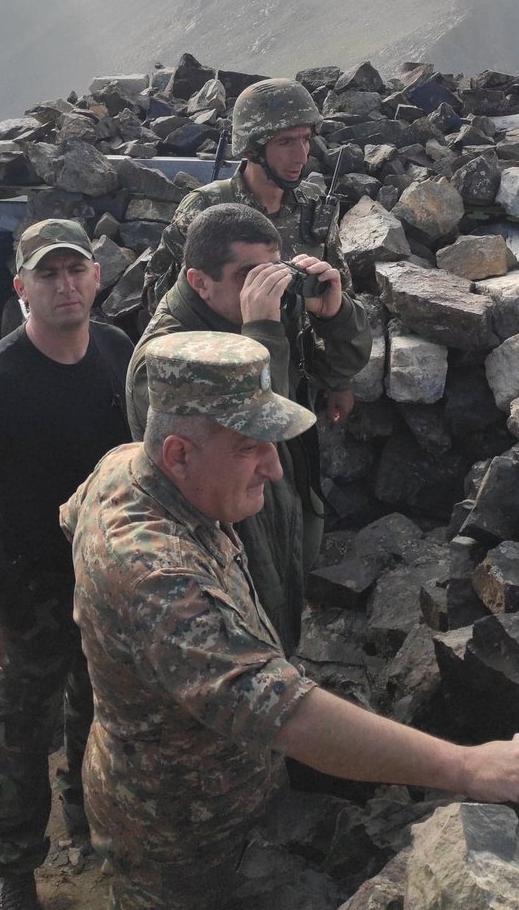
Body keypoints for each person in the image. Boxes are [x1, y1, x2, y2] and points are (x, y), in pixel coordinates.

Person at [62, 333, 519, 910]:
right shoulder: (156, 575)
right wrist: (467, 766)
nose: (274, 469)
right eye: (250, 447)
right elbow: (286, 714)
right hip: (179, 837)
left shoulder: (126, 467)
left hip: (210, 787)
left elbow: (72, 518)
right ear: (178, 454)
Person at [0, 219, 133, 910]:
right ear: (22, 288)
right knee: (16, 738)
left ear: (96, 277)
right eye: (47, 274)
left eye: (75, 269)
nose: (65, 284)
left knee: (97, 712)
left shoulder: (115, 350)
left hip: (103, 579)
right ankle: (15, 869)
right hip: (28, 591)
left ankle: (86, 823)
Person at [126, 201, 371, 652]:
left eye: (272, 271)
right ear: (199, 282)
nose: (264, 287)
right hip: (227, 537)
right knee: (251, 638)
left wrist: (334, 315)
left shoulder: (254, 310)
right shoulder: (164, 358)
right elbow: (254, 425)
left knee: (283, 614)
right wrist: (262, 331)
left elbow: (339, 363)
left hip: (283, 495)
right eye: (247, 275)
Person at [143, 76, 358, 425]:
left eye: (305, 139)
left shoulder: (314, 209)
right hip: (224, 388)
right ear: (252, 149)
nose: (301, 155)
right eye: (285, 141)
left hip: (295, 380)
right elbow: (161, 299)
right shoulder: (205, 210)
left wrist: (340, 382)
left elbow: (339, 294)